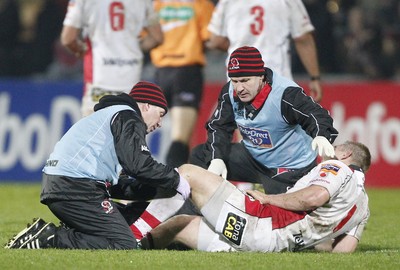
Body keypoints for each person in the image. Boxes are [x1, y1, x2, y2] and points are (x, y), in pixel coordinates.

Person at [4, 81, 190, 250]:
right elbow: (139, 165)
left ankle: (71, 229)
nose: (160, 123)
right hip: (75, 187)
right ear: (147, 105)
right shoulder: (129, 117)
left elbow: (119, 186)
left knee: (133, 217)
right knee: (124, 243)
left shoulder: (111, 116)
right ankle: (50, 237)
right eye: (161, 114)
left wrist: (157, 191)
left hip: (66, 185)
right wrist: (175, 179)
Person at [140, 141, 371, 253]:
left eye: (337, 146)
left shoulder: (339, 168)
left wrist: (269, 199)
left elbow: (314, 197)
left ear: (346, 153)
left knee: (188, 172)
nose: (331, 149)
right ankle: (136, 246)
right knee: (180, 225)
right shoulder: (363, 206)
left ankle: (131, 225)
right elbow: (343, 251)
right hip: (268, 246)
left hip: (258, 222)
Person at [190, 46, 338, 195]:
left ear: (261, 76)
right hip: (254, 158)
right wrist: (217, 158)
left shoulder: (285, 94)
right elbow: (219, 126)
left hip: (290, 166)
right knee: (200, 156)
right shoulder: (229, 92)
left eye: (245, 80)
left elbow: (317, 115)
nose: (239, 88)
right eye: (234, 81)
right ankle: (208, 211)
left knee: (275, 214)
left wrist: (321, 135)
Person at [60, 0, 163, 117]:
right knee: (128, 132)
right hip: (131, 82)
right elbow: (157, 37)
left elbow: (68, 39)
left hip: (99, 82)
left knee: (95, 132)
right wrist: (134, 49)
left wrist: (81, 51)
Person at [206, 0, 323, 102]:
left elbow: (216, 40)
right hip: (276, 78)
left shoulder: (227, 2)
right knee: (282, 124)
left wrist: (242, 52)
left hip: (240, 81)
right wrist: (314, 78)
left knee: (248, 125)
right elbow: (303, 38)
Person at [150, 0, 215, 168]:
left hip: (160, 73)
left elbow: (147, 37)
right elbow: (210, 39)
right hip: (187, 72)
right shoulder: (200, 4)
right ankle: (175, 187)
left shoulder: (156, 4)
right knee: (180, 137)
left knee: (141, 132)